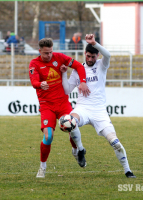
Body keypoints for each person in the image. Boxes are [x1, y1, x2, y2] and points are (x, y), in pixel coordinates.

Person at [61, 34, 136, 178]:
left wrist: (95, 43)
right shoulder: (77, 70)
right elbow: (66, 90)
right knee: (70, 121)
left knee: (115, 143)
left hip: (100, 111)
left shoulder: (102, 65)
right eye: (88, 56)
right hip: (82, 108)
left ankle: (128, 171)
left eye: (93, 57)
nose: (90, 59)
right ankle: (80, 150)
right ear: (85, 54)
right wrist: (64, 74)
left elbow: (108, 54)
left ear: (97, 56)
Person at [29, 38, 90, 178]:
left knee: (73, 127)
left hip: (63, 103)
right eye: (45, 53)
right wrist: (40, 84)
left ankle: (76, 151)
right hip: (47, 105)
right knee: (48, 136)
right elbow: (34, 81)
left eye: (50, 52)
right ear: (39, 51)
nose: (49, 55)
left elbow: (79, 67)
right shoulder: (34, 63)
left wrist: (83, 82)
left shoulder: (60, 57)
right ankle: (42, 167)